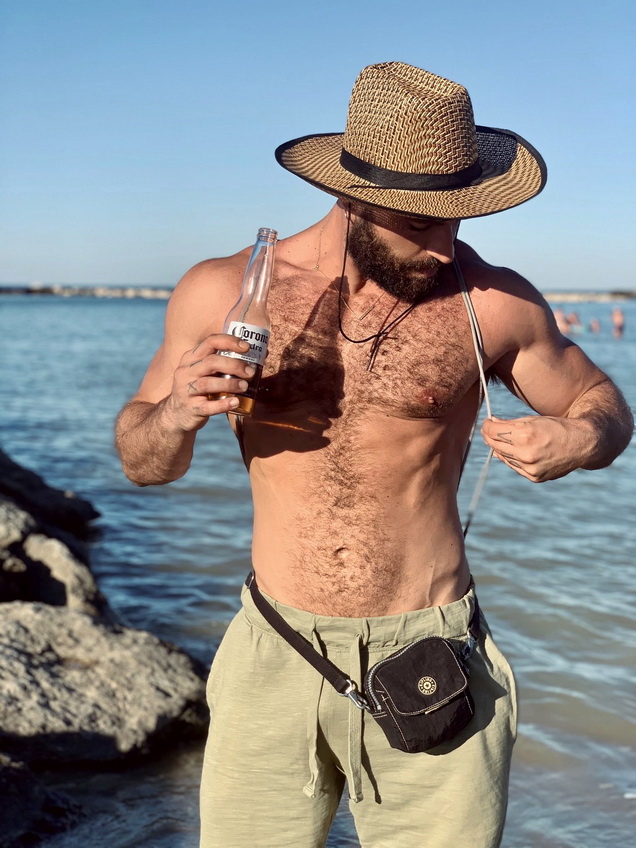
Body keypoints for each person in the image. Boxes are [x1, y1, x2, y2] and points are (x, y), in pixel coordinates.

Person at [115, 62, 633, 848]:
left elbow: (605, 406)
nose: (445, 246)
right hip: (273, 647)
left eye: (457, 218)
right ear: (352, 197)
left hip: (432, 649)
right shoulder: (221, 291)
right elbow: (143, 463)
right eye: (421, 222)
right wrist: (178, 413)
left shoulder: (492, 303)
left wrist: (580, 438)